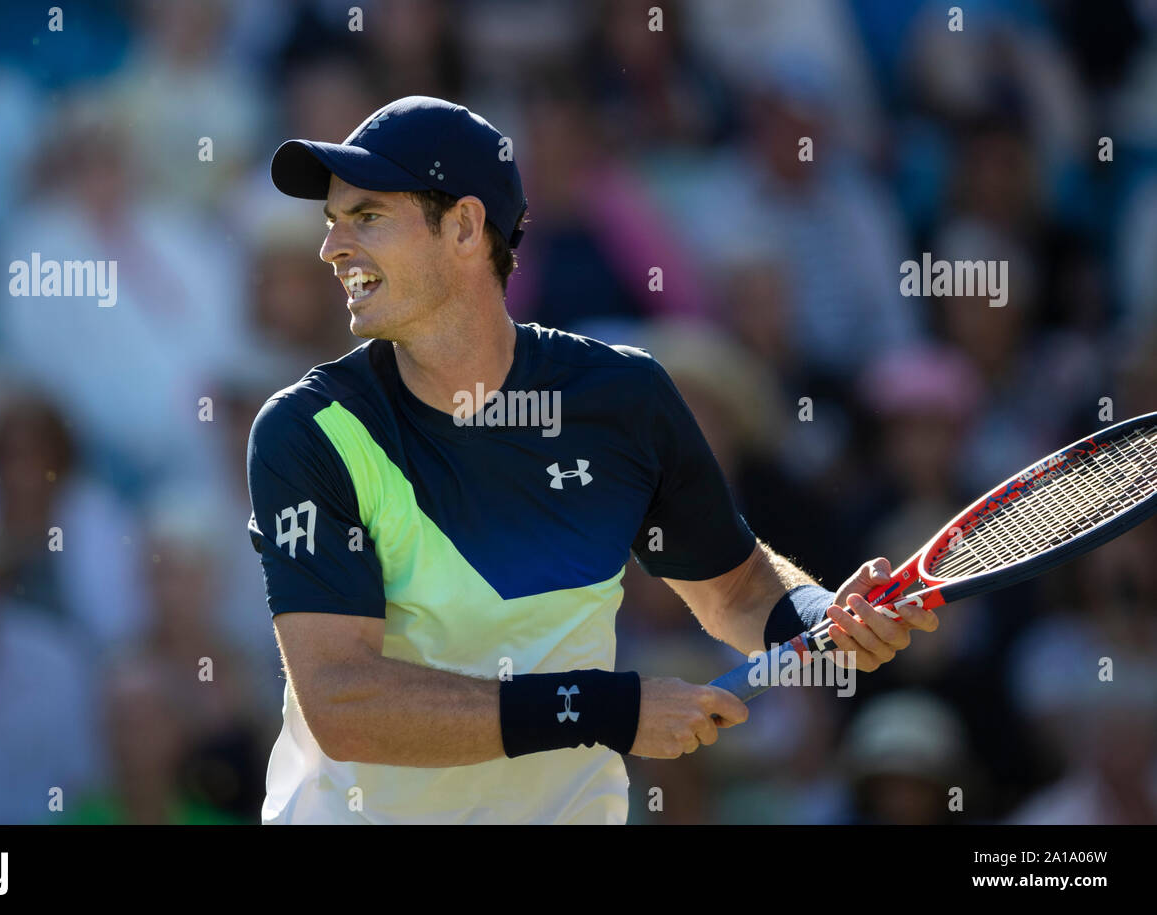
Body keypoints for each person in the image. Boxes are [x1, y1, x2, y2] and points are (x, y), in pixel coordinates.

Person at [246, 95, 939, 824]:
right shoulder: (305, 432)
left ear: (464, 227)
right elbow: (345, 701)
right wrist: (606, 707)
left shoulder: (625, 397)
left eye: (367, 217)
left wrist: (827, 620)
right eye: (333, 221)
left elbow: (736, 592)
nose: (331, 248)